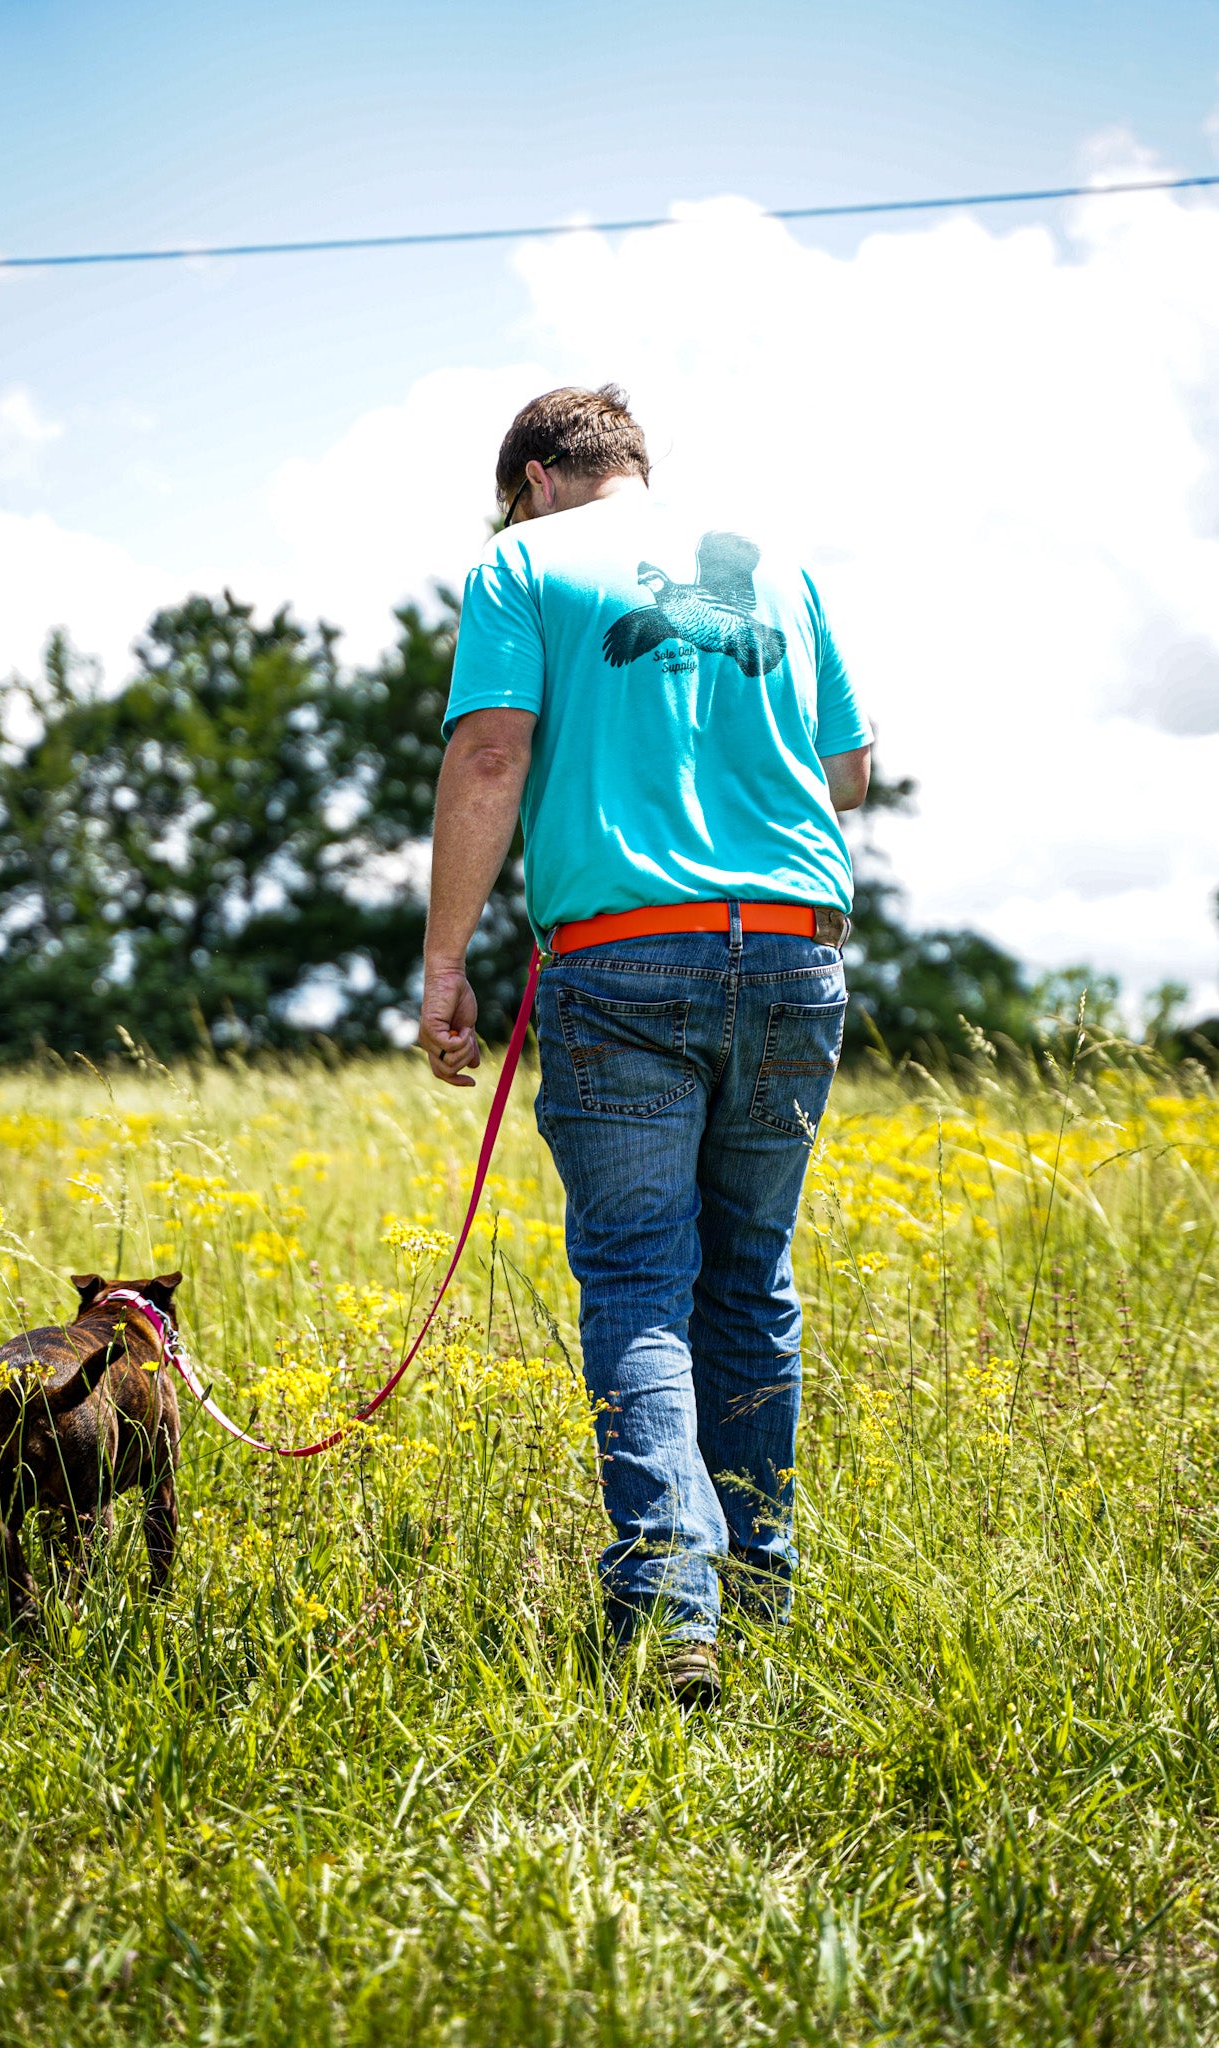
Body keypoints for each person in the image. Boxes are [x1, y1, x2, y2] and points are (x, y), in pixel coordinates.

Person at [418, 385, 870, 1706]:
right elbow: (845, 771)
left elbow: (492, 756)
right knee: (750, 1284)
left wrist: (446, 958)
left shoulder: (517, 561)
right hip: (792, 948)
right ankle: (760, 1598)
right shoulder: (776, 564)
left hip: (622, 957)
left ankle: (673, 1608)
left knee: (636, 1285)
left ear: (538, 480)